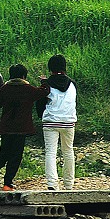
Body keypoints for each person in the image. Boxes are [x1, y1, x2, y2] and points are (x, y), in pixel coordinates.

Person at [0, 64, 50, 191]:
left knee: (4, 153)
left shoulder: (5, 88)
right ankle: (7, 184)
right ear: (23, 76)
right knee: (15, 156)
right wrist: (44, 82)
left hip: (6, 127)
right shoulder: (28, 89)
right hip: (21, 129)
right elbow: (44, 92)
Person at [36, 54, 77, 190]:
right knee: (68, 151)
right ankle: (69, 184)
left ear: (50, 68)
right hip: (69, 122)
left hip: (51, 122)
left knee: (51, 152)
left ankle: (52, 184)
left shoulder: (47, 84)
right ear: (64, 67)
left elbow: (40, 102)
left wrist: (42, 116)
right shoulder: (72, 84)